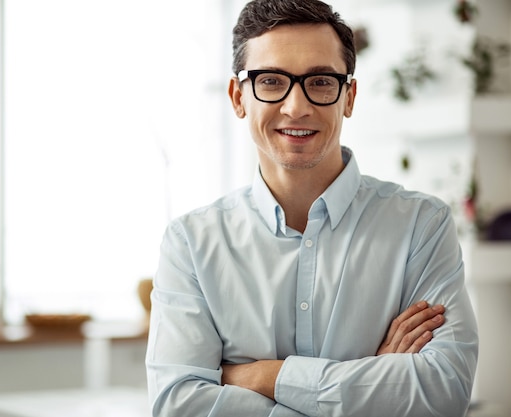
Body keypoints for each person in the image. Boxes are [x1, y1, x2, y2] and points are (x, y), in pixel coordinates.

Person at [145, 0, 479, 416]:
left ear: (349, 96)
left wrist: (263, 376)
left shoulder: (420, 227)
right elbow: (179, 406)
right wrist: (373, 382)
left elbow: (442, 393)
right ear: (238, 97)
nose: (296, 107)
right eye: (270, 81)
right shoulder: (190, 244)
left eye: (320, 81)